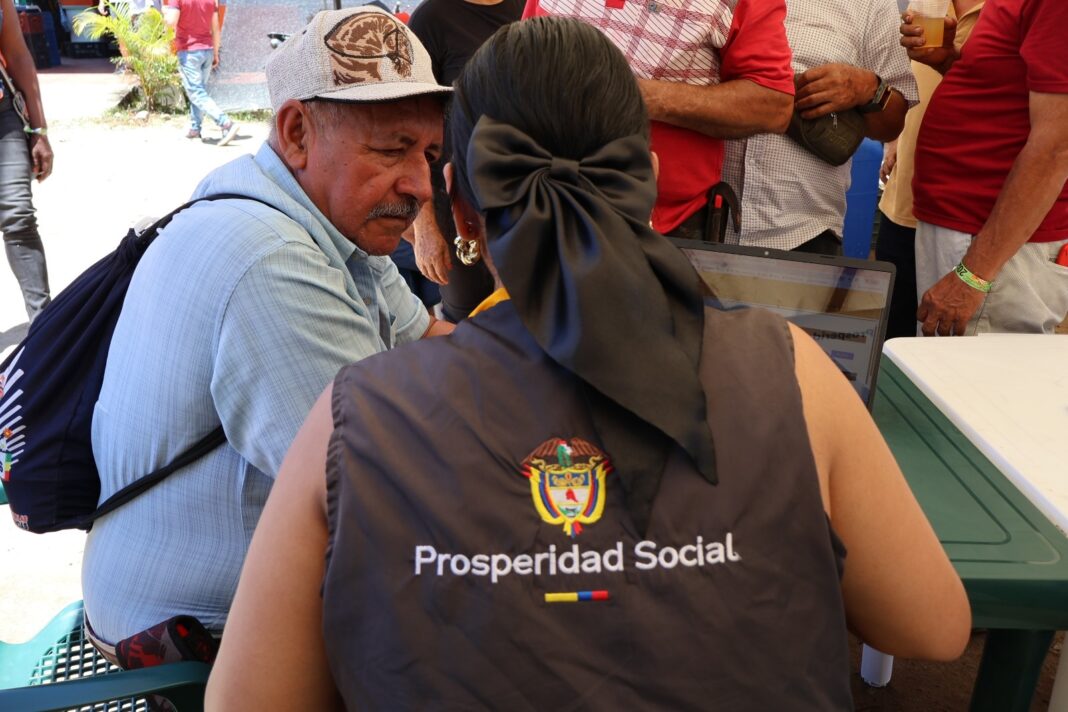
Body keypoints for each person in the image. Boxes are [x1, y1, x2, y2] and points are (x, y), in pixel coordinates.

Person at [207, 17, 970, 710]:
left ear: (460, 207)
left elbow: (244, 701)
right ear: (647, 182)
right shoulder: (792, 371)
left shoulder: (353, 420)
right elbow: (933, 629)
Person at [82, 6, 453, 654]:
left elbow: (432, 343)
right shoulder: (271, 259)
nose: (421, 185)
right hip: (193, 636)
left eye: (429, 154)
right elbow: (383, 494)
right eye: (392, 149)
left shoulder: (329, 217)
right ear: (297, 133)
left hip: (207, 607)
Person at [522, 0, 794, 240]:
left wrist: (629, 94)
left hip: (664, 227)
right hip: (542, 203)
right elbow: (521, 64)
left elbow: (773, 105)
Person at [903, 0, 1068, 336]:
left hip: (992, 248)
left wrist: (974, 275)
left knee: (973, 368)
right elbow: (1005, 91)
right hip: (972, 235)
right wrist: (948, 60)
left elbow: (1055, 150)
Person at [722, 0, 917, 255]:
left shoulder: (870, 5)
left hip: (804, 230)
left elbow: (891, 124)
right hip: (697, 219)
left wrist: (867, 88)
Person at [399, 0, 522, 321]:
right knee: (466, 316)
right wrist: (423, 225)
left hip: (523, 199)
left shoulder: (530, 8)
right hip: (453, 202)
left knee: (524, 311)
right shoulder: (433, 18)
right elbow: (408, 127)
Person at [876, 0, 983, 338]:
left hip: (969, 220)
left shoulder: (1028, 9)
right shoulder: (927, 2)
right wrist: (898, 137)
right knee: (891, 342)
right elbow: (908, 78)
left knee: (949, 350)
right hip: (903, 202)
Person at [0, 0, 52, 323]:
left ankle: (44, 326)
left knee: (19, 215)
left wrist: (39, 129)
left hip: (4, 115)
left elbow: (17, 52)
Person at [163, 0, 238, 144]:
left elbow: (171, 21)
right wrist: (215, 53)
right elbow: (215, 28)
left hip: (189, 51)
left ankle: (226, 123)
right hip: (207, 50)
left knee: (196, 92)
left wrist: (165, 13)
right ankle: (195, 128)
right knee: (199, 91)